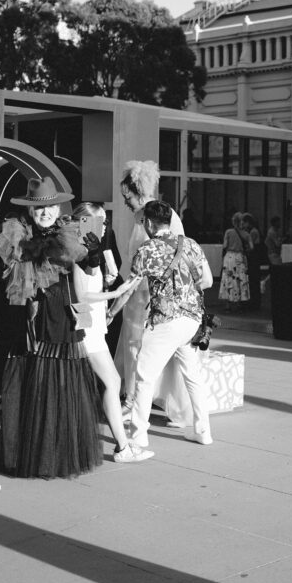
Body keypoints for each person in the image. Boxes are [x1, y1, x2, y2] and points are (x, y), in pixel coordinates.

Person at [0, 177, 104, 479]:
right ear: (30, 210)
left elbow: (90, 268)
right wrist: (32, 248)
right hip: (26, 319)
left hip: (60, 315)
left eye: (51, 207)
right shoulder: (15, 235)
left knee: (58, 386)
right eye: (39, 209)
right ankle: (24, 455)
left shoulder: (68, 233)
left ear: (58, 208)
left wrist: (94, 253)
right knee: (29, 383)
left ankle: (54, 457)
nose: (46, 213)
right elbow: (9, 262)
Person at [125, 201, 215, 448]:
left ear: (150, 223)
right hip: (191, 321)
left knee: (144, 377)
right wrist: (184, 291)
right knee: (193, 376)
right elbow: (206, 281)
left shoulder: (147, 249)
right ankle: (203, 431)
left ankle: (138, 435)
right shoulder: (191, 244)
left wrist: (112, 310)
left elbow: (131, 286)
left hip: (164, 321)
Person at [72, 202, 152, 463]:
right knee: (111, 382)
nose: (105, 225)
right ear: (86, 222)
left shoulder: (89, 250)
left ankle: (122, 445)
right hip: (87, 330)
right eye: (101, 220)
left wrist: (108, 286)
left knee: (109, 383)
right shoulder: (79, 252)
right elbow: (82, 295)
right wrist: (114, 293)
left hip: (92, 327)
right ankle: (122, 447)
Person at [115, 160, 184, 412]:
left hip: (146, 293)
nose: (125, 202)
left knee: (137, 346)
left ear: (140, 192)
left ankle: (133, 400)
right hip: (140, 292)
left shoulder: (152, 216)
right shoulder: (147, 215)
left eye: (128, 197)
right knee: (136, 346)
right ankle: (134, 396)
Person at [219, 212, 251, 312]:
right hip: (240, 257)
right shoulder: (246, 234)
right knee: (240, 279)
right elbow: (251, 247)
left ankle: (228, 304)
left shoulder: (228, 232)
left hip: (229, 257)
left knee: (228, 279)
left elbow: (224, 245)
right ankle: (239, 304)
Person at [243, 213, 265, 310]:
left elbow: (250, 246)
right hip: (256, 258)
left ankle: (253, 302)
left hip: (253, 258)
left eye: (244, 222)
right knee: (254, 280)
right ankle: (255, 302)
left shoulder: (252, 232)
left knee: (253, 281)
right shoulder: (256, 231)